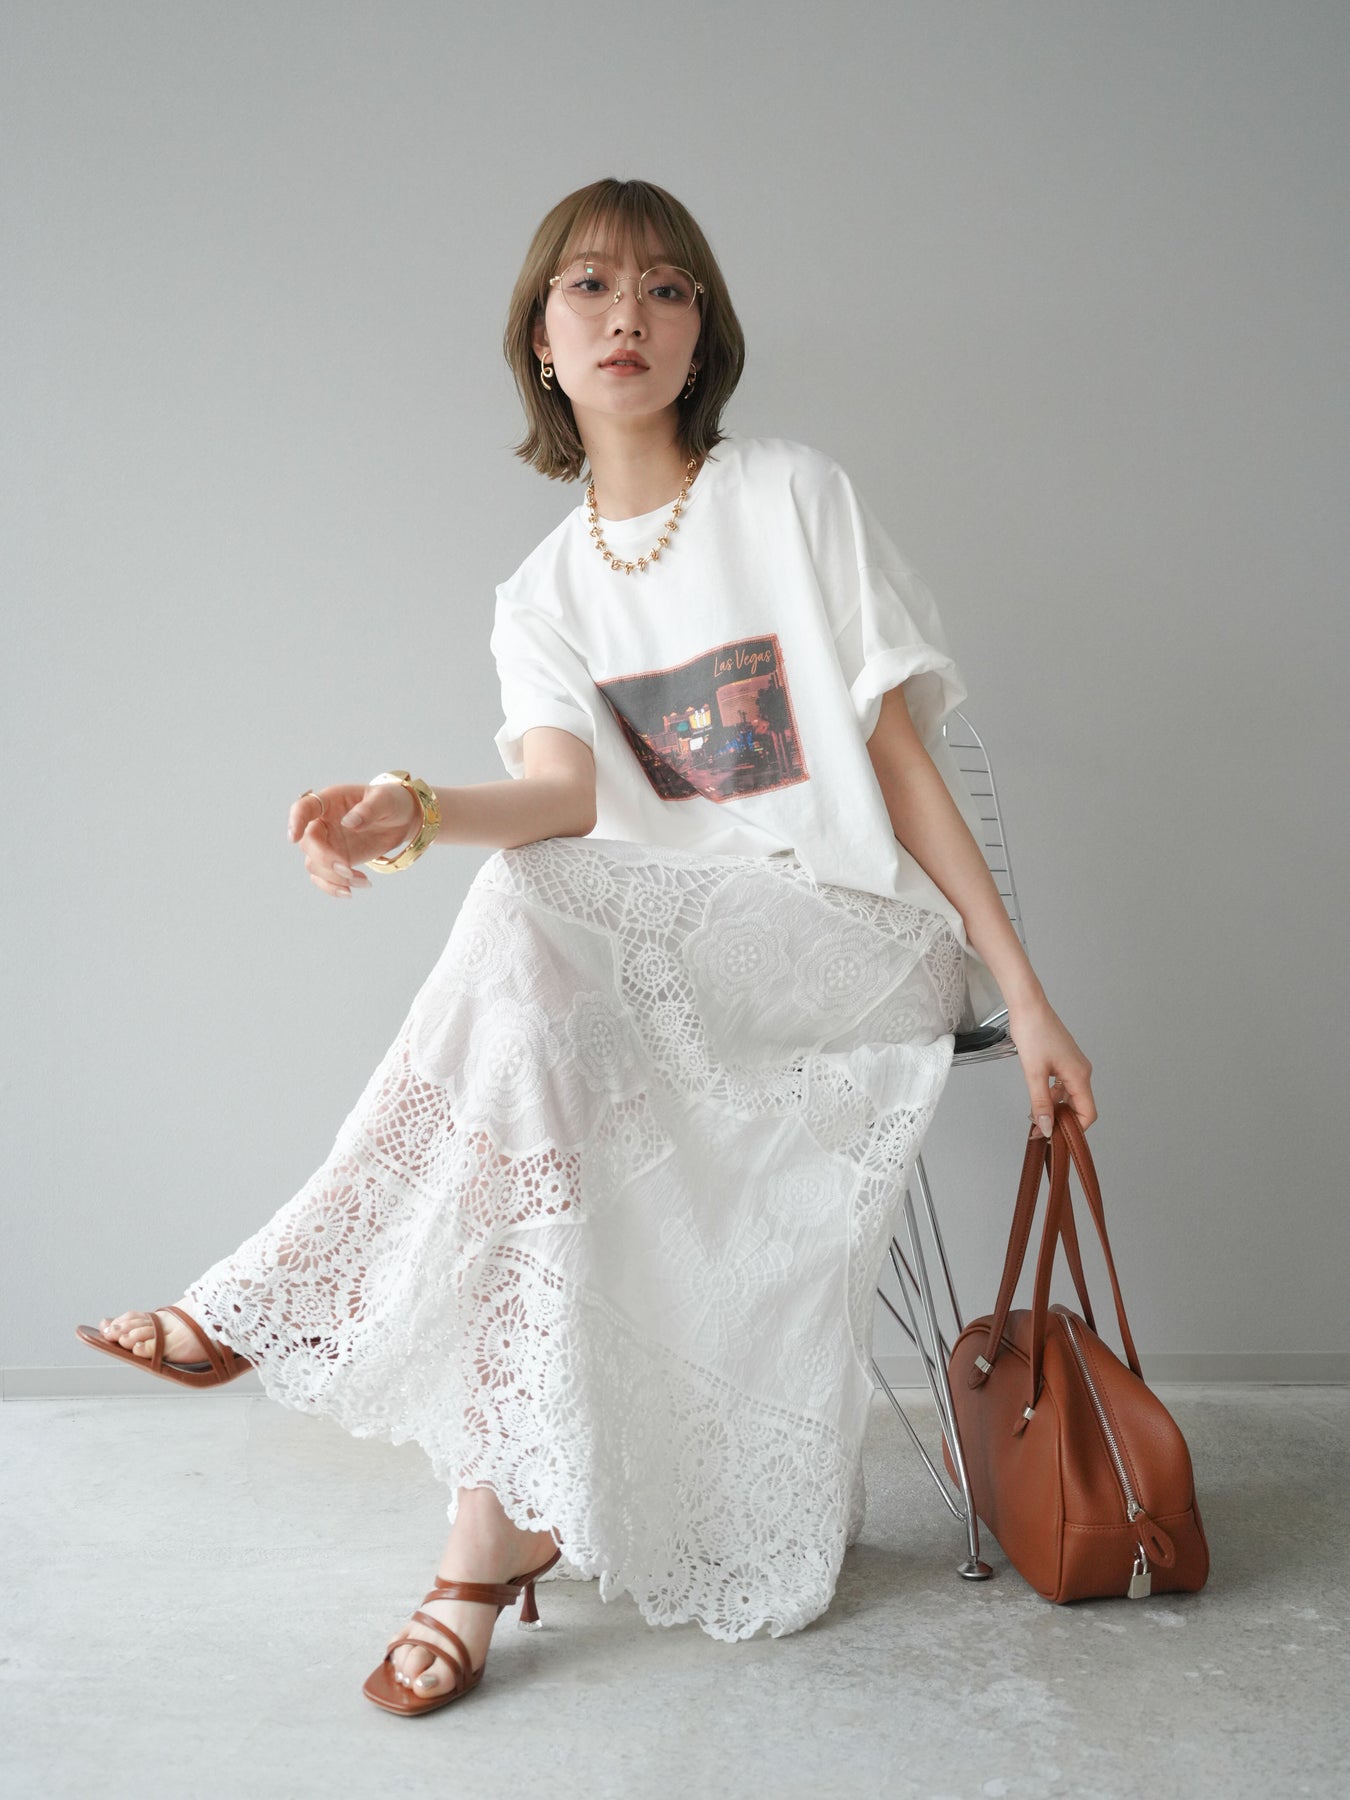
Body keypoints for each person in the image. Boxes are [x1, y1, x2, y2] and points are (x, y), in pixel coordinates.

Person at [78, 177, 1095, 1714]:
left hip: (853, 941)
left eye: (668, 288)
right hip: (665, 974)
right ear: (541, 343)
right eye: (592, 287)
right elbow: (559, 799)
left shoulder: (787, 496)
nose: (630, 314)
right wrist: (413, 809)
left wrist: (1022, 992)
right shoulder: (540, 594)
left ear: (703, 336)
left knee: (526, 929)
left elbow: (893, 756)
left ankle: (285, 1299)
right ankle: (481, 1540)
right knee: (527, 1021)